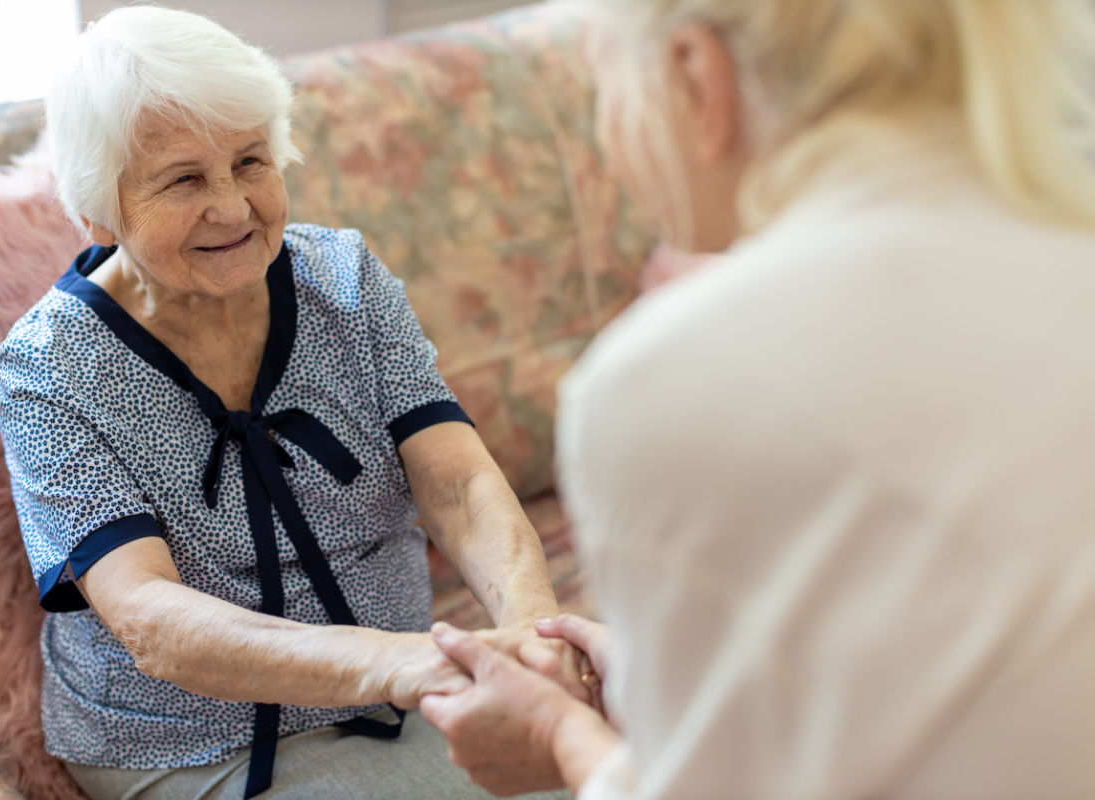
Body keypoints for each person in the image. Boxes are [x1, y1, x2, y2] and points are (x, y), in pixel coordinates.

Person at [420, 0, 1095, 797]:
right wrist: (656, 687)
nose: (608, 136)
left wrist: (563, 737)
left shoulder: (665, 381)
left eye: (604, 85)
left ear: (695, 75)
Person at [0, 7, 578, 800]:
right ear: (99, 208)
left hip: (407, 678)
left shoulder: (345, 279)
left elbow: (459, 485)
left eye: (251, 161)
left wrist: (530, 638)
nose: (234, 208)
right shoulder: (47, 369)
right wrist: (409, 663)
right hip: (188, 733)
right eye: (184, 179)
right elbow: (151, 619)